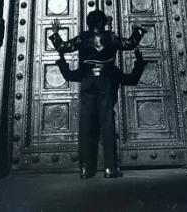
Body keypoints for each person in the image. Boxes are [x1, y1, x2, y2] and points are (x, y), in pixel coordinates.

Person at [49, 10, 147, 179]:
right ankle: (110, 169)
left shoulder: (83, 37)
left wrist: (56, 32)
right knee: (107, 123)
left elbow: (63, 47)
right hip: (105, 80)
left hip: (87, 80)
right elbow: (130, 44)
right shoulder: (111, 37)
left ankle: (86, 169)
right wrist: (138, 30)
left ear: (88, 23)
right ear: (103, 22)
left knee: (86, 124)